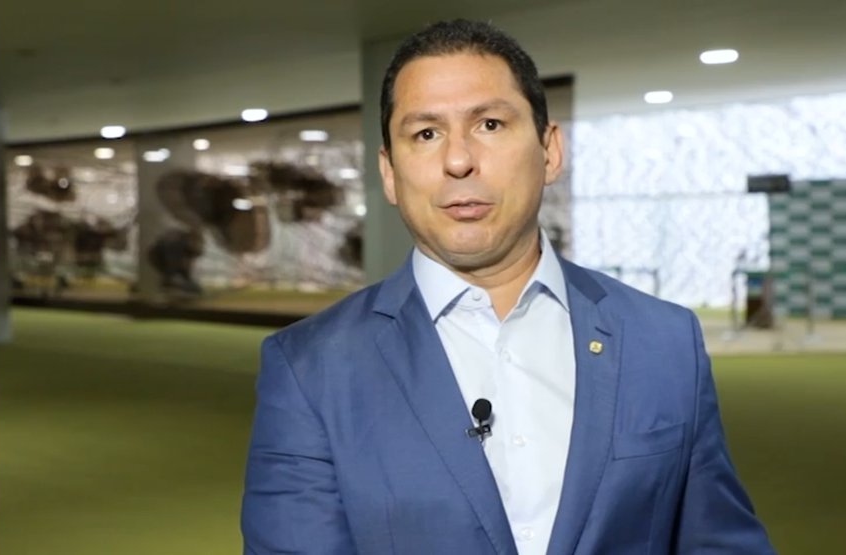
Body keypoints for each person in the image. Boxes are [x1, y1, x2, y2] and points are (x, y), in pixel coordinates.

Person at [241, 19, 775, 555]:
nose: (458, 160)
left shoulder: (663, 340)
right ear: (389, 172)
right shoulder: (309, 367)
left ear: (550, 150)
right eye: (426, 134)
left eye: (490, 124)